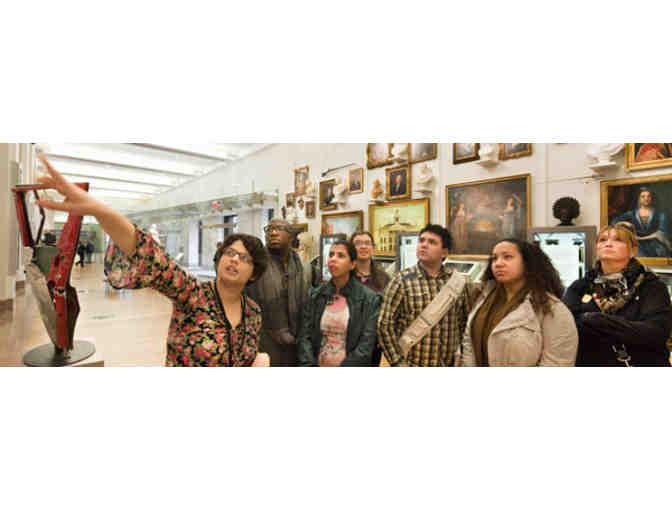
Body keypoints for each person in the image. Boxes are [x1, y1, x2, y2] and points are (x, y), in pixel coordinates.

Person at [35, 155, 271, 367]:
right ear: (219, 259)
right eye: (230, 253)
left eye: (244, 258)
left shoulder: (253, 312)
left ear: (254, 272)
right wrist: (100, 211)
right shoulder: (194, 294)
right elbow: (153, 258)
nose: (234, 260)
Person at [563, 223, 672, 366]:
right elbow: (567, 328)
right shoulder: (580, 286)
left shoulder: (652, 286)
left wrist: (594, 319)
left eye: (618, 240)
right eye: (602, 240)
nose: (608, 244)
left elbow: (655, 333)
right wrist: (626, 328)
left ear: (633, 251)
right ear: (596, 249)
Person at [456, 239, 578, 366]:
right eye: (494, 258)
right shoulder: (483, 296)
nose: (498, 263)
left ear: (528, 262)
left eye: (507, 257)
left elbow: (556, 363)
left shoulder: (552, 308)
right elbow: (468, 343)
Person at [377, 224, 477, 367]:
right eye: (421, 240)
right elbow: (384, 325)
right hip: (411, 364)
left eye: (432, 242)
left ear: (444, 252)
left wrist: (462, 357)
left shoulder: (459, 282)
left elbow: (464, 324)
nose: (424, 245)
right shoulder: (402, 281)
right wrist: (398, 362)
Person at [297, 240, 380, 366]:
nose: (333, 259)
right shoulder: (315, 295)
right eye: (331, 255)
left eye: (340, 256)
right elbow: (304, 337)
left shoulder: (369, 299)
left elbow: (366, 346)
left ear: (352, 264)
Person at [246, 219, 310, 366]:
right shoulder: (256, 264)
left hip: (296, 341)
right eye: (269, 229)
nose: (273, 233)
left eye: (279, 228)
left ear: (291, 236)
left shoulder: (301, 266)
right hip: (264, 341)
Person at [350, 231, 391, 366]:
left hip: (374, 344)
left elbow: (388, 312)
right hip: (348, 343)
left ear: (373, 248)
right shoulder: (343, 277)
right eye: (358, 243)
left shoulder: (384, 279)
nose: (363, 246)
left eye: (367, 243)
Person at [612, 187, 671, 257]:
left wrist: (641, 238)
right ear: (639, 199)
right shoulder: (632, 213)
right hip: (638, 246)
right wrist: (624, 223)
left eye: (648, 196)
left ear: (651, 198)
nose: (646, 198)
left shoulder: (660, 214)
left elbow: (662, 233)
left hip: (655, 245)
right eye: (643, 196)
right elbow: (614, 222)